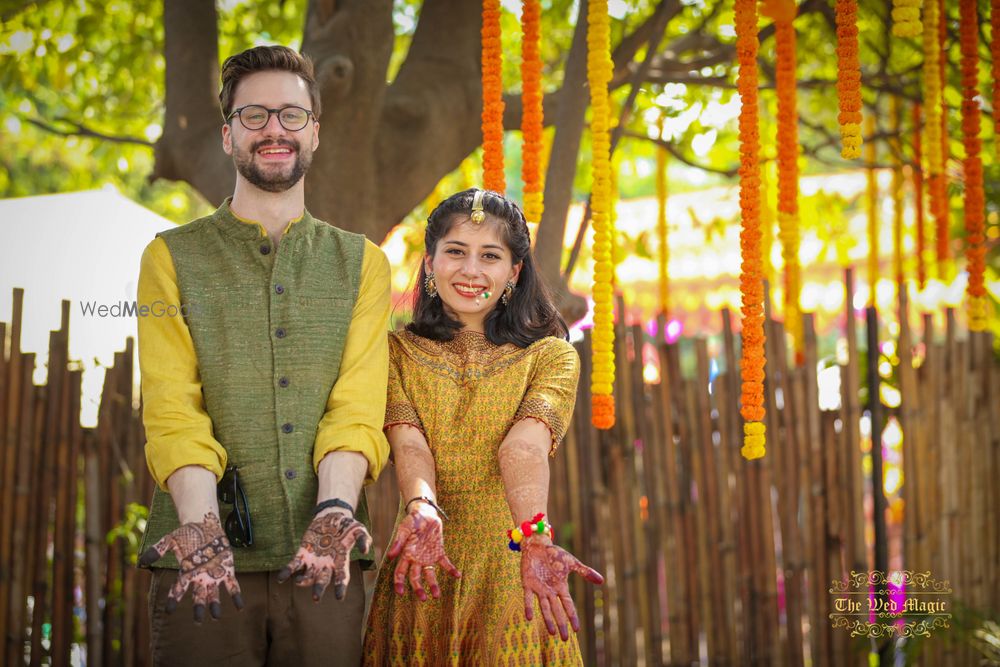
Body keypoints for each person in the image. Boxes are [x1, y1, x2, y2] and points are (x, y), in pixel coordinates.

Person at [135, 45, 391, 666]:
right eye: (253, 117)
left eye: (290, 115)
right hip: (199, 557)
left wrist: (334, 510)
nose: (273, 129)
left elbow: (355, 409)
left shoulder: (365, 264)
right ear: (227, 136)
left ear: (315, 133)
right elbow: (173, 409)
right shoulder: (167, 259)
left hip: (328, 565)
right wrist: (201, 527)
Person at [362, 188, 603, 665]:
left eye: (490, 256)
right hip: (423, 562)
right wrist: (422, 508)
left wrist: (534, 537)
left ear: (514, 272)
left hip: (516, 576)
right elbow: (409, 443)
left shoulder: (550, 357)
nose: (471, 271)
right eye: (455, 252)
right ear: (430, 263)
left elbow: (523, 449)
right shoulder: (393, 353)